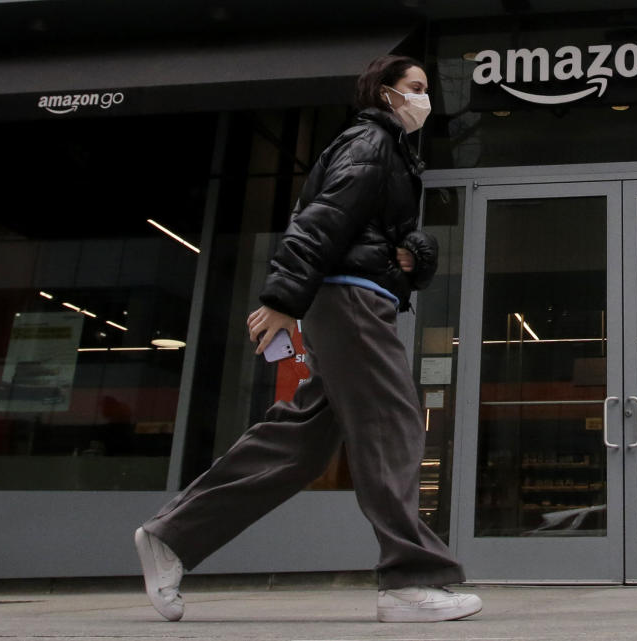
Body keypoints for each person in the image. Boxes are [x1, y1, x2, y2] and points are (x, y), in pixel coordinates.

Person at [133, 55, 481, 624]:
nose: (425, 100)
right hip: (348, 300)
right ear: (385, 94)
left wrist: (414, 255)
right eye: (415, 88)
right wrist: (279, 298)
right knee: (393, 424)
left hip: (353, 299)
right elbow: (319, 219)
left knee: (302, 441)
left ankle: (171, 536)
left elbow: (388, 237)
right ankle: (409, 580)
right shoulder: (369, 143)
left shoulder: (388, 151)